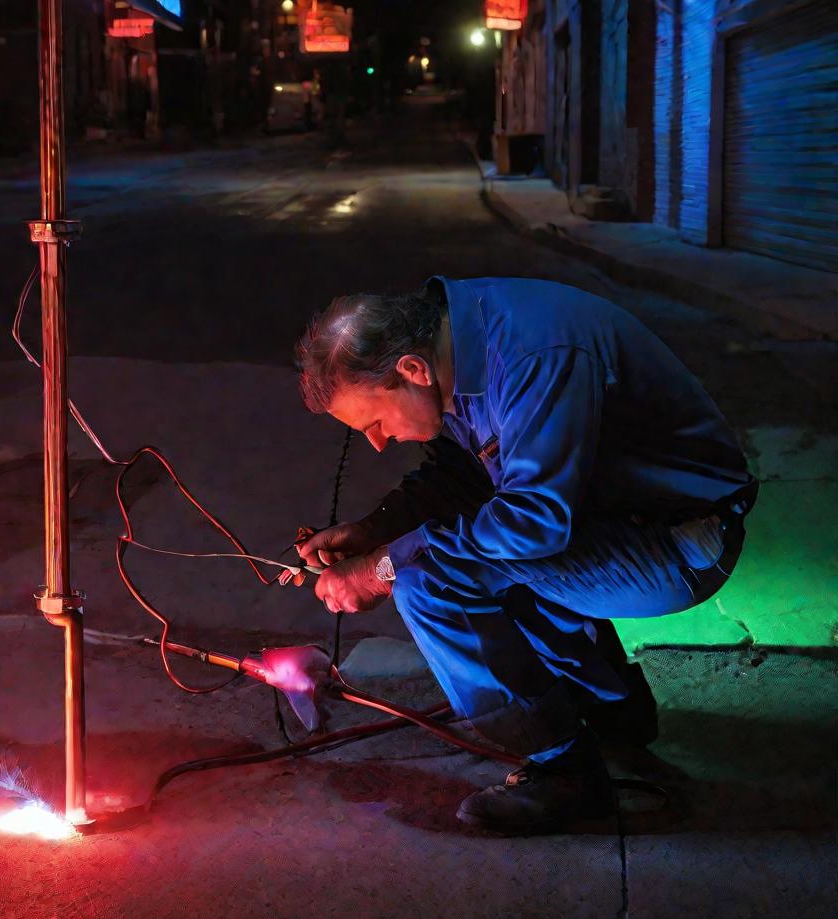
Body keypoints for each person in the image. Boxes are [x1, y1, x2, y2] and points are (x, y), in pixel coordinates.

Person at [284, 277, 757, 834]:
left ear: (411, 370)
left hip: (680, 542)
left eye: (375, 422)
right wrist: (370, 532)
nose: (380, 442)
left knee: (426, 580)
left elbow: (534, 523)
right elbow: (463, 474)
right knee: (457, 548)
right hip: (613, 518)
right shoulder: (456, 344)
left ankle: (566, 773)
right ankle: (613, 713)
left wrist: (384, 566)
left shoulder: (534, 355)